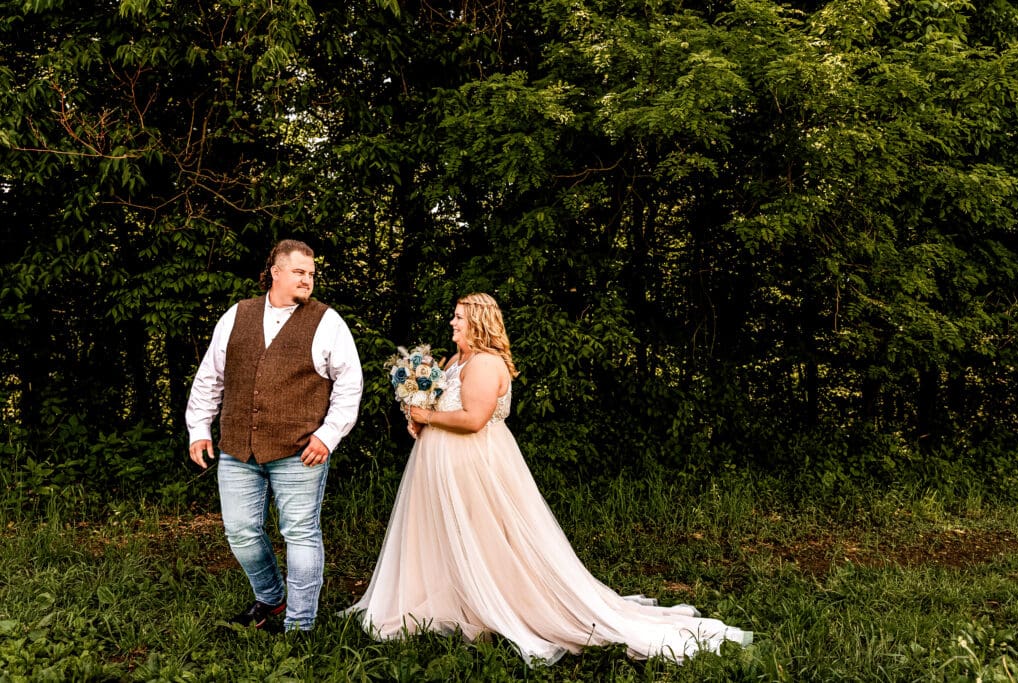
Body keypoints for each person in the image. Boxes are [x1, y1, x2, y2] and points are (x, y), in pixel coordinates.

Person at [343, 292, 751, 665]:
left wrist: (426, 416)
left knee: (484, 535)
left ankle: (496, 605)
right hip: (438, 466)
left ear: (480, 323)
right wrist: (421, 421)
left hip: (475, 466)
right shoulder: (453, 362)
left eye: (459, 318)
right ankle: (453, 602)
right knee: (445, 535)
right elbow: (441, 406)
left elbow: (472, 419)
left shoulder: (486, 363)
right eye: (453, 316)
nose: (452, 323)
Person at [186, 239, 362, 633]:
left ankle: (300, 626)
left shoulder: (327, 322)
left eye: (312, 274)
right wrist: (199, 428)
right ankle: (271, 597)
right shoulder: (237, 315)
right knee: (240, 530)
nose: (308, 280)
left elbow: (350, 385)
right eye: (300, 272)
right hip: (236, 448)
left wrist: (328, 436)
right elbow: (210, 377)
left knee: (299, 532)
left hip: (301, 450)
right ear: (276, 272)